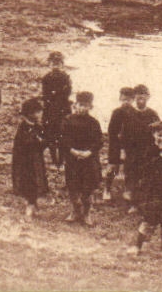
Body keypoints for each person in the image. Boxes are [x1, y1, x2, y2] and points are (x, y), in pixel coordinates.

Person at [127, 121, 162, 258]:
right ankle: (137, 245)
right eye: (159, 135)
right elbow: (142, 169)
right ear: (154, 135)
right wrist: (158, 157)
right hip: (152, 191)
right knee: (148, 219)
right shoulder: (148, 150)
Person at [60, 91, 104, 225]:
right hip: (72, 159)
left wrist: (89, 152)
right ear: (75, 105)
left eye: (86, 106)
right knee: (73, 186)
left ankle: (87, 213)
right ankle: (74, 210)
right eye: (80, 105)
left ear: (91, 107)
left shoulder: (94, 123)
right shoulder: (67, 120)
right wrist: (72, 151)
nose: (83, 108)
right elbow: (63, 139)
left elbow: (99, 141)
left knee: (87, 188)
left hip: (88, 160)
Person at [122, 84, 160, 209]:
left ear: (148, 98)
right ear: (134, 98)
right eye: (138, 98)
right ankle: (131, 202)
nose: (140, 101)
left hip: (147, 150)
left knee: (143, 175)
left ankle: (140, 202)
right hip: (131, 150)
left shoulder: (153, 114)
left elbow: (159, 132)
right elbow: (123, 133)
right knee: (131, 174)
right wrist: (123, 150)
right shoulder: (129, 113)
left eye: (143, 98)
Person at [11, 97, 49, 219]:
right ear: (30, 114)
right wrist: (36, 141)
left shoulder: (38, 127)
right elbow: (23, 143)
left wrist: (41, 142)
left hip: (36, 159)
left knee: (37, 181)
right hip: (24, 161)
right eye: (37, 112)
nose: (40, 114)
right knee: (27, 181)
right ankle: (30, 204)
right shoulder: (23, 127)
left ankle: (33, 203)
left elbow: (45, 142)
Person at [103, 87, 137, 202]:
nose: (125, 102)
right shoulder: (117, 112)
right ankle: (107, 189)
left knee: (130, 168)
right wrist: (118, 146)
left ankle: (127, 190)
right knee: (113, 167)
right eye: (123, 100)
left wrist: (128, 146)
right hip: (116, 145)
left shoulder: (134, 113)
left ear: (133, 99)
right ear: (120, 99)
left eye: (128, 100)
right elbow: (111, 130)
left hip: (130, 145)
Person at [39, 51, 72, 167]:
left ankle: (61, 160)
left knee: (63, 133)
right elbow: (45, 94)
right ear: (49, 65)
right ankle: (54, 159)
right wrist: (56, 93)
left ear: (62, 65)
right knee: (50, 134)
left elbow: (67, 92)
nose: (55, 66)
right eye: (53, 64)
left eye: (58, 64)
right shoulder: (46, 78)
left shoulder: (66, 77)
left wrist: (55, 93)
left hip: (63, 109)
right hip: (50, 110)